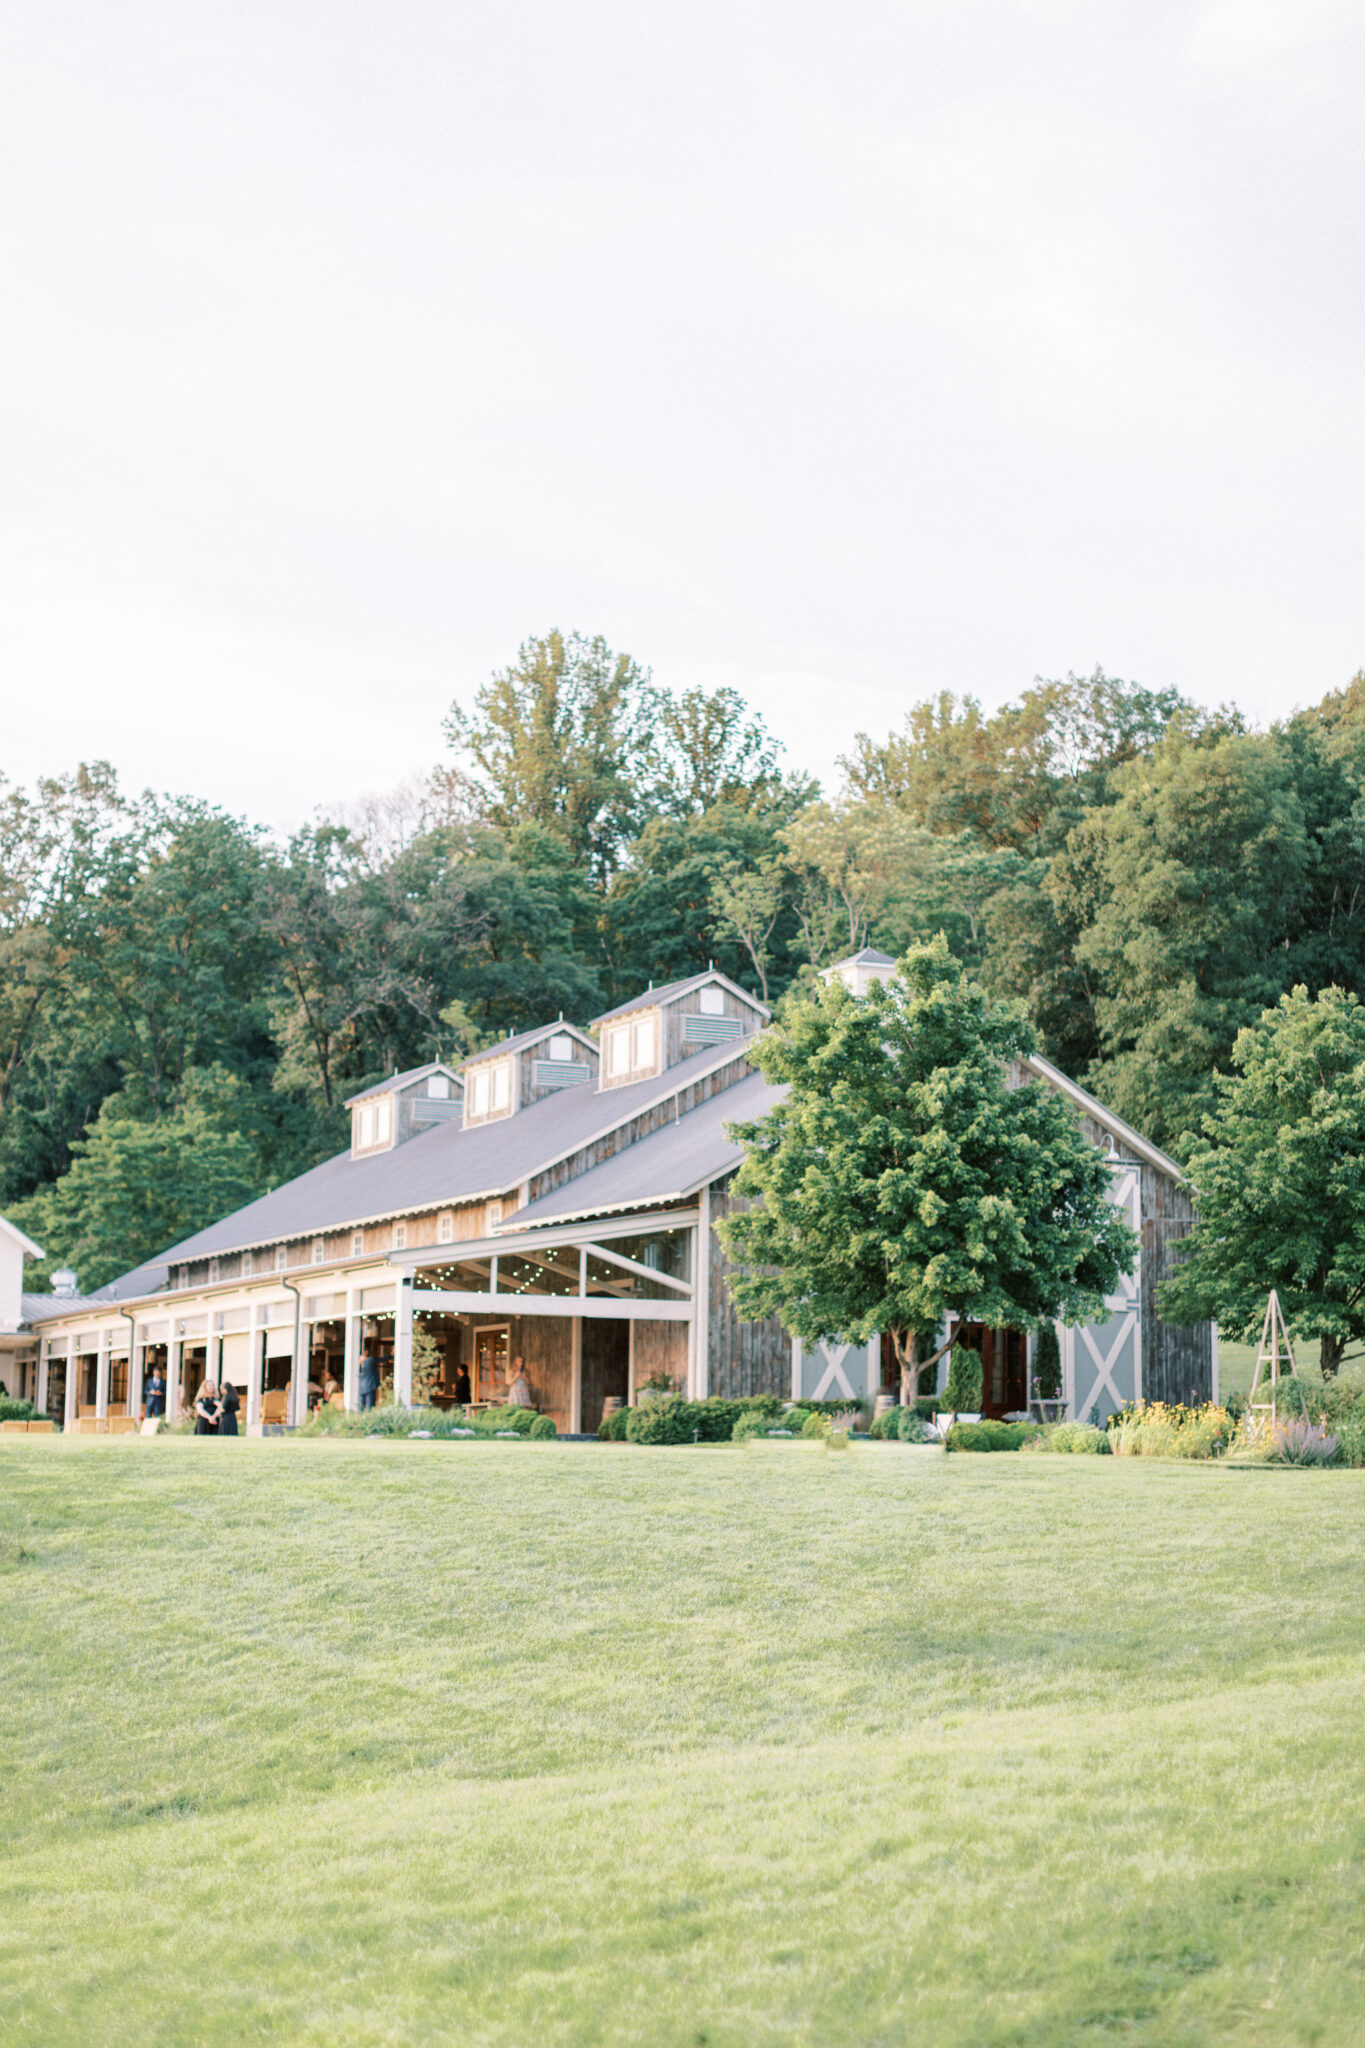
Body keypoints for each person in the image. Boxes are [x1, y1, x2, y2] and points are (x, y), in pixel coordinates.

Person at [358, 1338, 380, 1412]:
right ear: (366, 1352)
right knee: (369, 1407)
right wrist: (390, 1355)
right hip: (369, 1386)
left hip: (361, 1387)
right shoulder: (370, 1360)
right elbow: (381, 1360)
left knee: (361, 1407)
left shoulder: (358, 1363)